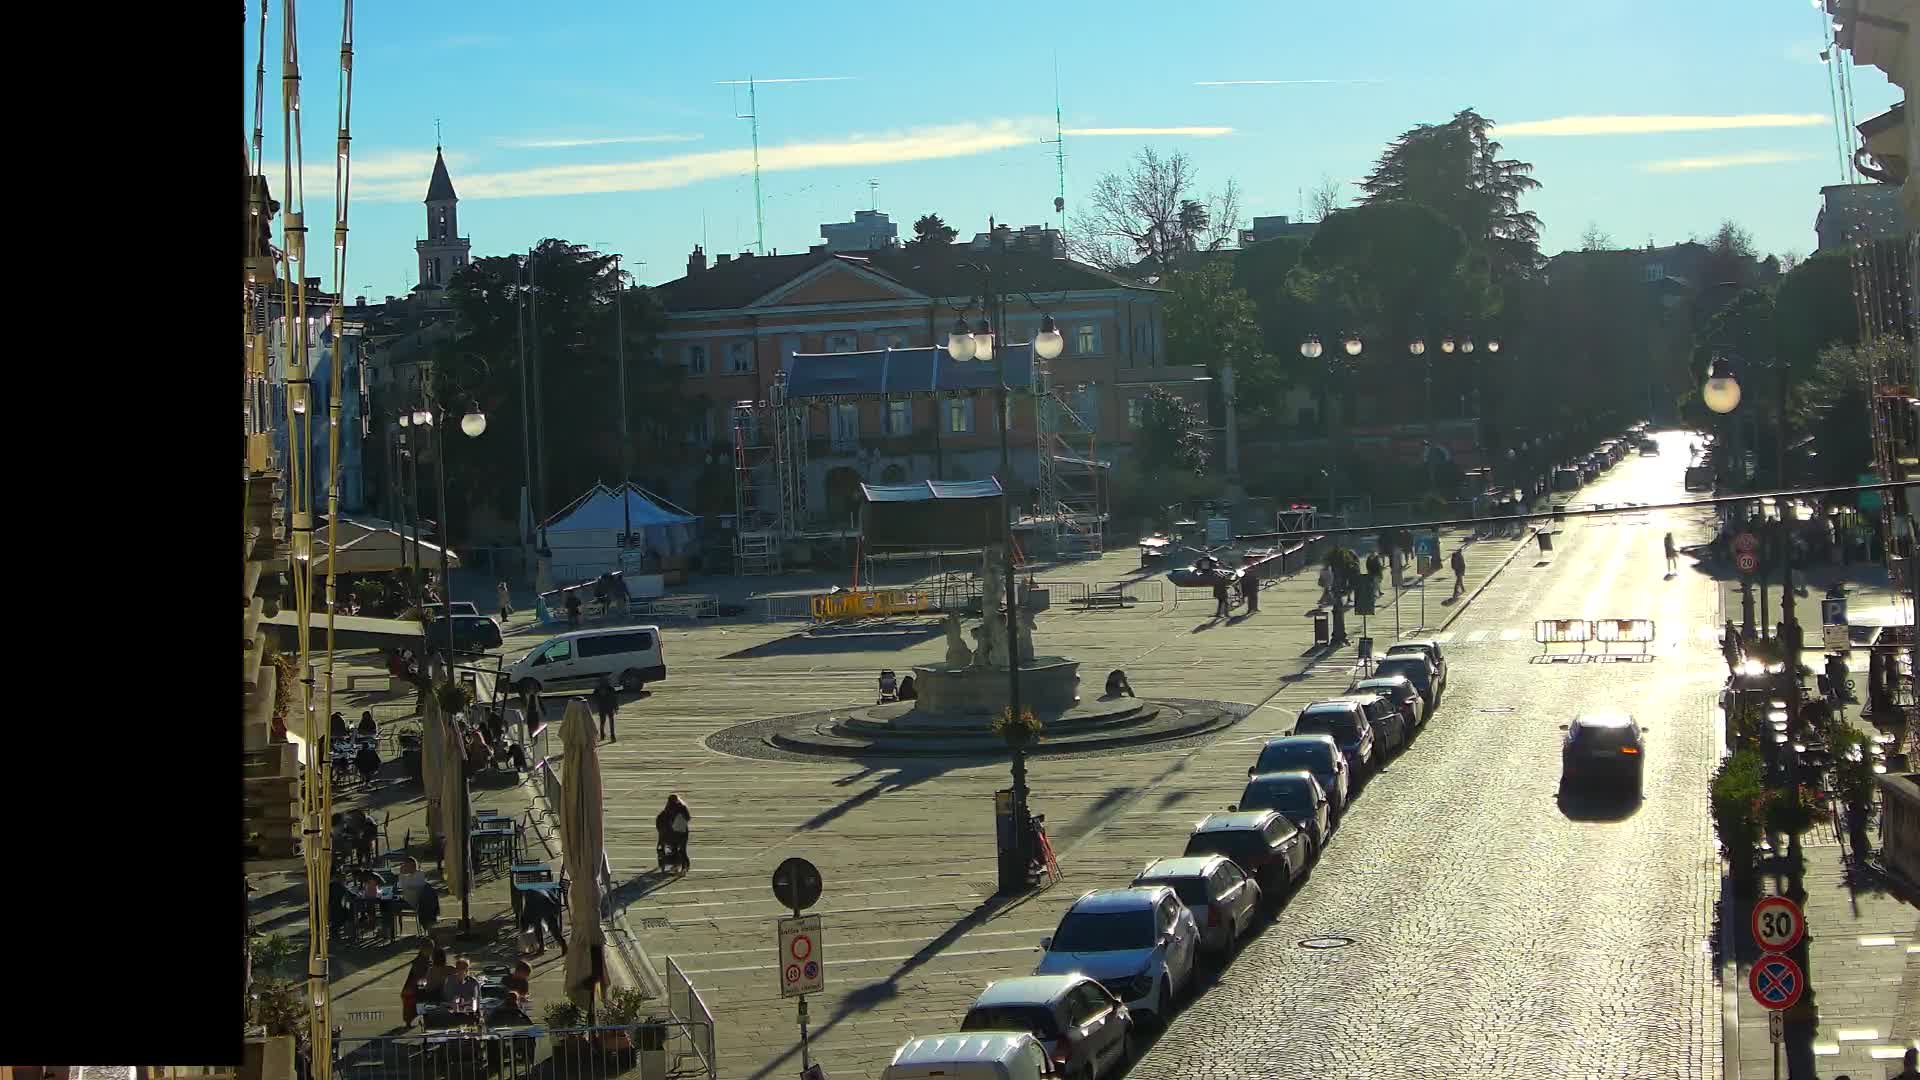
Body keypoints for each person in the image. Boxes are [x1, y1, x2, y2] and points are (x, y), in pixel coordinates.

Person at [518, 884, 566, 955]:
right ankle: (563, 944)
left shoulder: (528, 901)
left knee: (537, 926)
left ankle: (541, 948)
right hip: (550, 901)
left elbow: (527, 919)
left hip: (543, 902)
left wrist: (523, 929)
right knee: (553, 928)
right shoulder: (531, 892)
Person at [400, 941, 434, 1029]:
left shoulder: (427, 958)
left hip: (420, 985)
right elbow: (417, 973)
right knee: (413, 1005)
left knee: (420, 1004)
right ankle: (409, 1023)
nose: (430, 951)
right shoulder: (420, 960)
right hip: (414, 986)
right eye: (429, 949)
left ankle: (423, 1021)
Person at [657, 794, 692, 873]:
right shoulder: (682, 807)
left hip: (672, 833)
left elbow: (662, 819)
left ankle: (677, 865)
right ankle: (684, 867)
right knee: (682, 850)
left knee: (675, 849)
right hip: (682, 832)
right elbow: (688, 818)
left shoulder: (668, 808)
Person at [594, 675, 619, 742]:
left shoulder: (597, 689)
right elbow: (614, 699)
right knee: (611, 722)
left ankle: (602, 735)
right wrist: (616, 707)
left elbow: (595, 698)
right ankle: (612, 736)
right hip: (609, 707)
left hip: (602, 707)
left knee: (602, 722)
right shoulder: (611, 689)